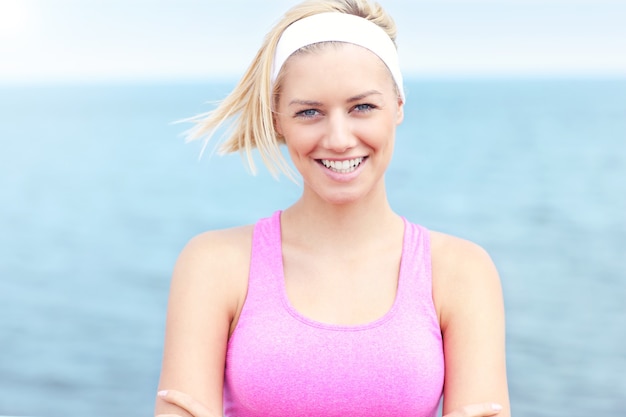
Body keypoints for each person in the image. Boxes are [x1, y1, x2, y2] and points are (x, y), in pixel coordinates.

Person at [154, 0, 511, 416]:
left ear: (398, 106)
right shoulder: (213, 265)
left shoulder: (462, 272)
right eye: (309, 112)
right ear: (277, 122)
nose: (339, 139)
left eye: (362, 107)